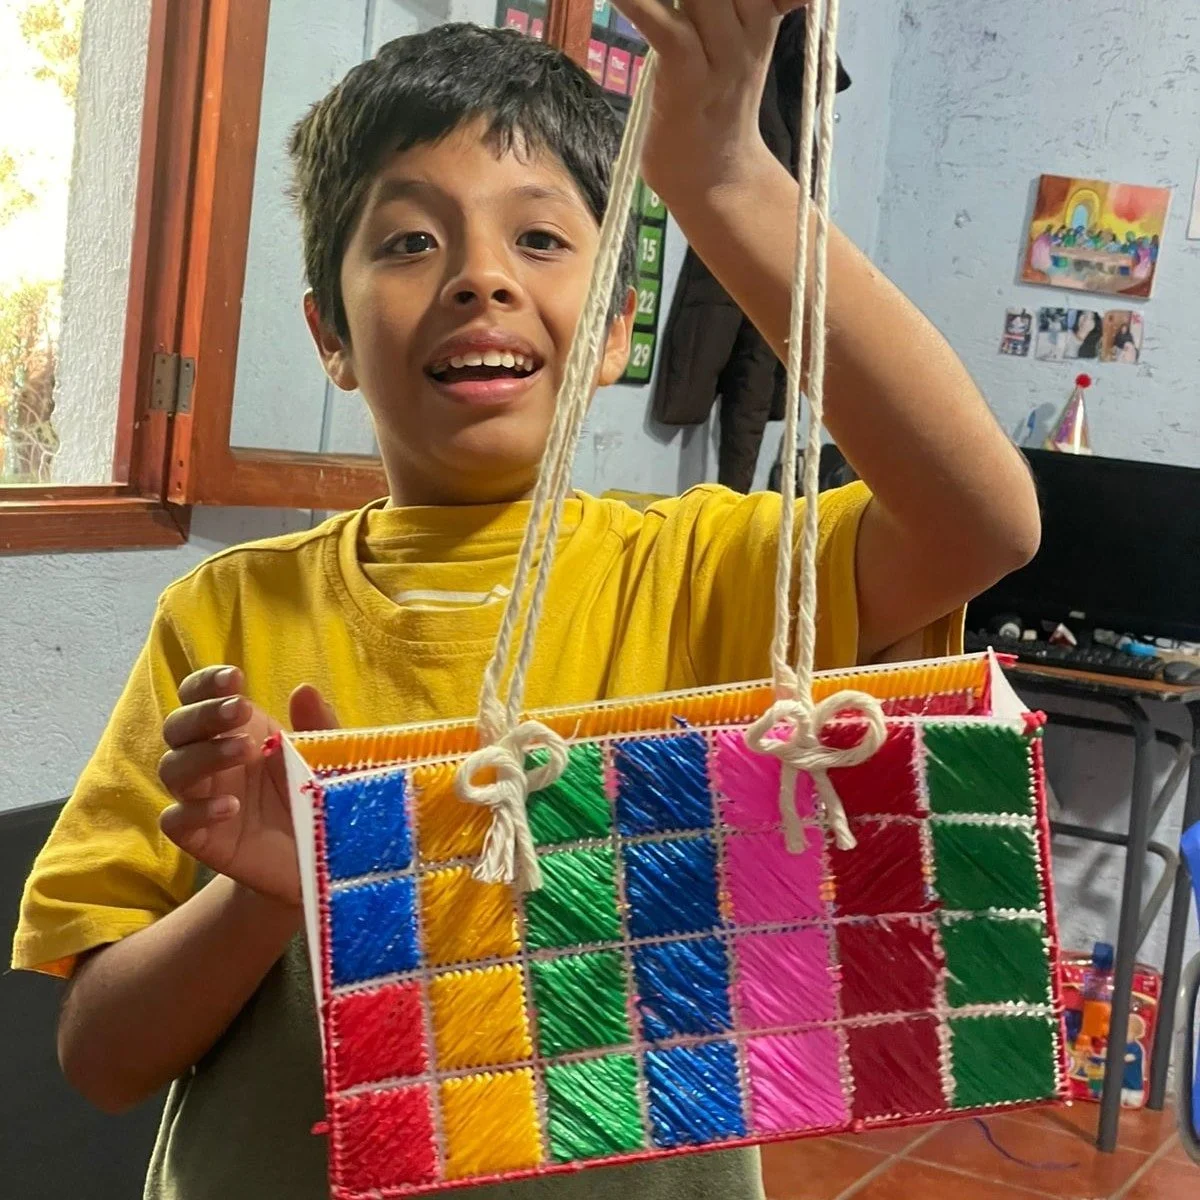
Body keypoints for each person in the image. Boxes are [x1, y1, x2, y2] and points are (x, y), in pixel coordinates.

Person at [11, 8, 1040, 1200]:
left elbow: (983, 521)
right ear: (330, 336)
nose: (481, 276)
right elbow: (99, 1060)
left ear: (613, 329)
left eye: (543, 238)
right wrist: (263, 895)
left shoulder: (703, 571)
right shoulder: (227, 618)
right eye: (405, 242)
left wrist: (725, 179)